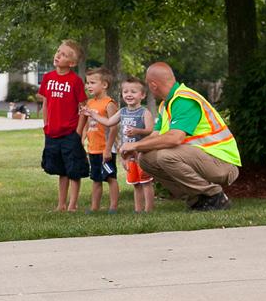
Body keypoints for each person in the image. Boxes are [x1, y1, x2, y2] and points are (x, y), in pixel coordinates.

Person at [119, 63, 241, 211]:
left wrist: (135, 145)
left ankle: (215, 196)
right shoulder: (166, 105)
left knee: (165, 156)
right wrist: (135, 149)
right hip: (202, 159)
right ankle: (198, 200)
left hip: (222, 164)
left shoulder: (184, 100)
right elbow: (155, 135)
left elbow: (174, 138)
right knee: (146, 159)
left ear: (153, 85)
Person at [84, 76, 155, 212]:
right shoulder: (122, 112)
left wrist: (137, 131)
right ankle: (138, 210)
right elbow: (109, 122)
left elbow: (150, 130)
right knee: (135, 183)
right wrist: (93, 115)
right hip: (128, 155)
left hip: (142, 154)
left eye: (133, 92)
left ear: (142, 95)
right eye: (125, 92)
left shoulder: (144, 112)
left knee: (146, 182)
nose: (129, 94)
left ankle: (148, 210)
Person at [39, 39, 89, 211]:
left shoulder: (75, 81)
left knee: (74, 169)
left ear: (72, 63)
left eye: (64, 55)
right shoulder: (48, 78)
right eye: (58, 52)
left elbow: (83, 108)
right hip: (53, 132)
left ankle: (72, 204)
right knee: (61, 170)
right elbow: (46, 103)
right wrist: (46, 125)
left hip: (70, 133)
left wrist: (79, 132)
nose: (58, 56)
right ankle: (61, 204)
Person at [79, 67, 118, 213]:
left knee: (110, 177)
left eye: (92, 83)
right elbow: (87, 125)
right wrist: (82, 139)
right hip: (93, 149)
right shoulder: (90, 103)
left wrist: (108, 149)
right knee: (96, 179)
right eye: (87, 82)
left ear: (104, 85)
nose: (88, 86)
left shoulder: (109, 103)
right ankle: (94, 207)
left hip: (105, 149)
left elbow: (114, 128)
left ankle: (113, 206)